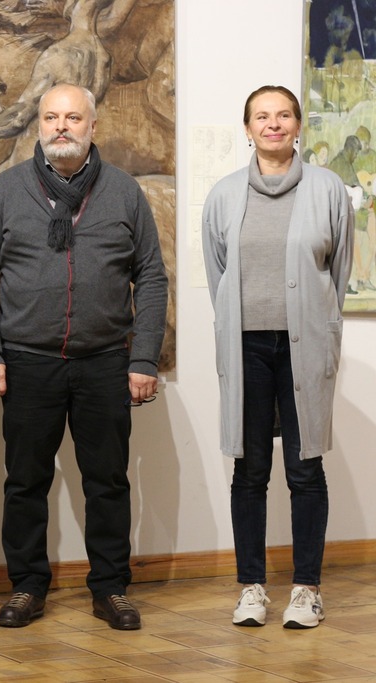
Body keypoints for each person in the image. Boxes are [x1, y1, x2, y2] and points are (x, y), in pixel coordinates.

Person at [0, 83, 168, 631]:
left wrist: (144, 358)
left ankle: (111, 588)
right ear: (40, 125)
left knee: (108, 482)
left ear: (93, 126)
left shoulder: (124, 192)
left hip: (105, 361)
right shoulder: (7, 190)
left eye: (73, 118)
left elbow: (151, 276)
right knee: (25, 482)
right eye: (51, 117)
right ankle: (27, 586)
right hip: (27, 361)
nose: (61, 127)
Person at [203, 85, 353, 630]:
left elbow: (337, 274)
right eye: (262, 116)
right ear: (248, 129)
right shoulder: (223, 195)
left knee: (305, 467)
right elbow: (217, 273)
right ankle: (252, 587)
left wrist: (320, 325)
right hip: (246, 346)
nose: (273, 124)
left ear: (297, 125)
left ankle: (306, 589)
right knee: (250, 469)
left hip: (303, 345)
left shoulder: (328, 189)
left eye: (284, 115)